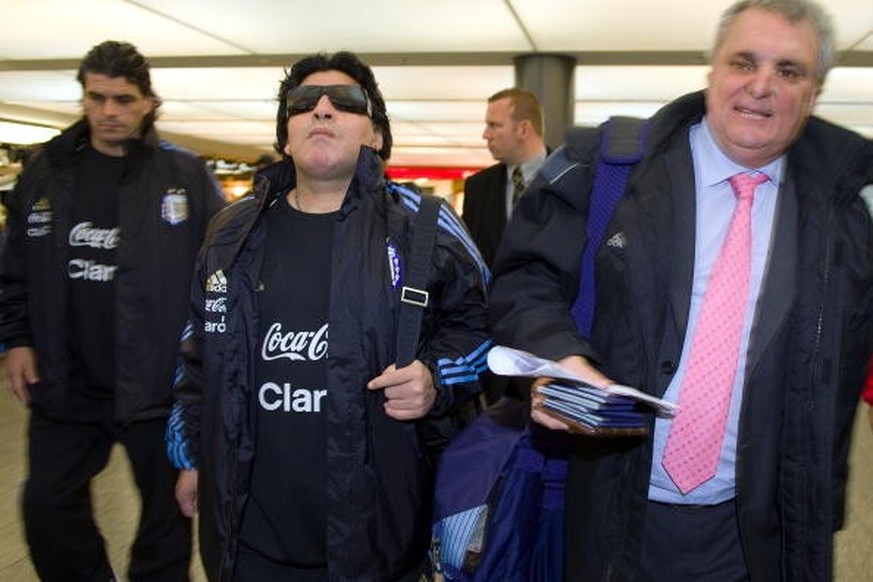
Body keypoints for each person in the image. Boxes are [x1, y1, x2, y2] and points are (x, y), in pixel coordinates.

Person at [488, 1, 873, 580]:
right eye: (744, 62)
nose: (761, 86)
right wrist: (560, 357)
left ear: (813, 92)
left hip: (754, 533)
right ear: (711, 73)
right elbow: (524, 280)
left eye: (788, 71)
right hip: (608, 507)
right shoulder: (609, 172)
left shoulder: (847, 214)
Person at [167, 51, 490, 581]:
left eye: (344, 101)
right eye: (303, 104)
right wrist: (189, 456)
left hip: (379, 540)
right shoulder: (231, 232)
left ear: (376, 135)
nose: (321, 110)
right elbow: (196, 354)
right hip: (246, 540)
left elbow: (483, 326)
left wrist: (436, 377)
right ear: (285, 134)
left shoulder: (424, 227)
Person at [0, 40, 225, 581]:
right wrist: (16, 340)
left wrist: (209, 360)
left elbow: (222, 265)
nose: (107, 112)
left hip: (157, 385)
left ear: (148, 102)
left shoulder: (184, 176)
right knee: (47, 507)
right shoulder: (47, 171)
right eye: (96, 98)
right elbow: (14, 269)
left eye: (122, 99)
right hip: (66, 380)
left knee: (166, 521)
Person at [463, 88, 547, 268]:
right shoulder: (478, 188)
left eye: (493, 125)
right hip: (494, 295)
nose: (485, 135)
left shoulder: (573, 180)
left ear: (523, 129)